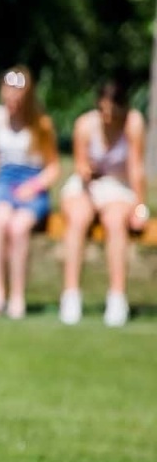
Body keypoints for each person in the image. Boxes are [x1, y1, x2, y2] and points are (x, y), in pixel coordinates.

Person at [58, 78, 148, 327]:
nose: (107, 117)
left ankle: (117, 297)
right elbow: (79, 163)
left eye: (112, 112)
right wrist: (88, 172)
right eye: (103, 111)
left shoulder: (134, 123)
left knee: (115, 221)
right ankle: (71, 295)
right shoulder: (85, 125)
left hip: (119, 186)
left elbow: (137, 170)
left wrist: (140, 207)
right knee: (77, 219)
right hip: (87, 185)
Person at [0, 66, 59, 319]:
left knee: (19, 228)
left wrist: (33, 187)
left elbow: (53, 167)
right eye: (8, 95)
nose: (12, 102)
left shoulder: (41, 125)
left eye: (18, 97)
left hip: (31, 183)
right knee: (1, 221)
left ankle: (17, 296)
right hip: (4, 182)